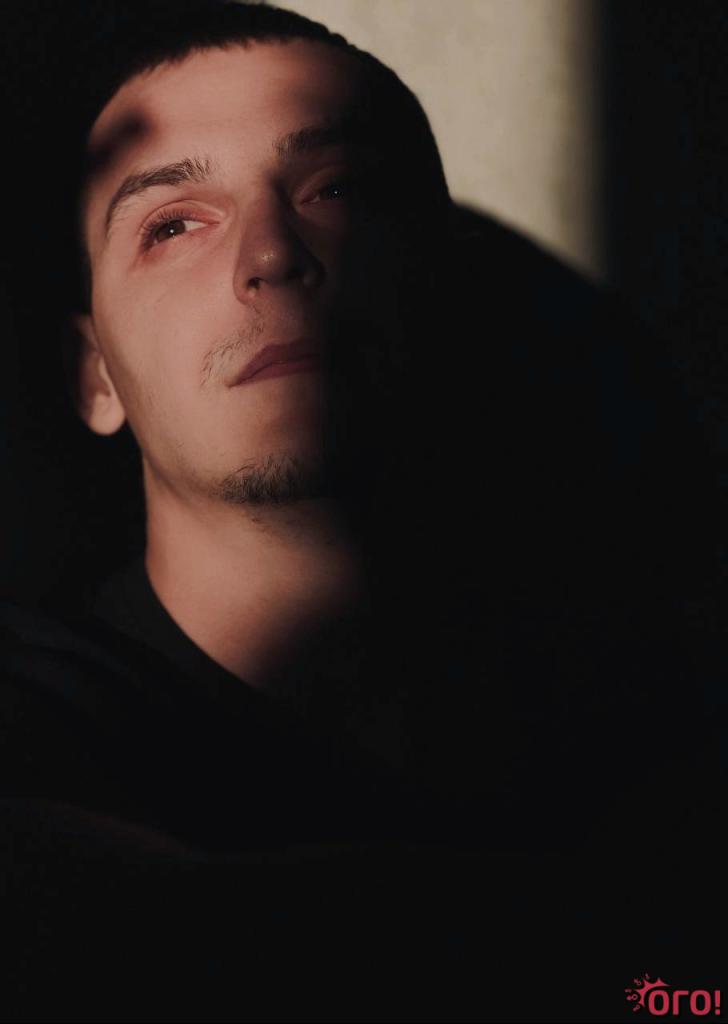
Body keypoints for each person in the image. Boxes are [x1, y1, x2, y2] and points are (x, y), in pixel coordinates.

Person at [0, 2, 723, 1019]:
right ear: (94, 375)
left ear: (448, 288)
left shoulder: (657, 706)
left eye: (336, 187)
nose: (271, 254)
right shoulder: (34, 728)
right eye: (172, 225)